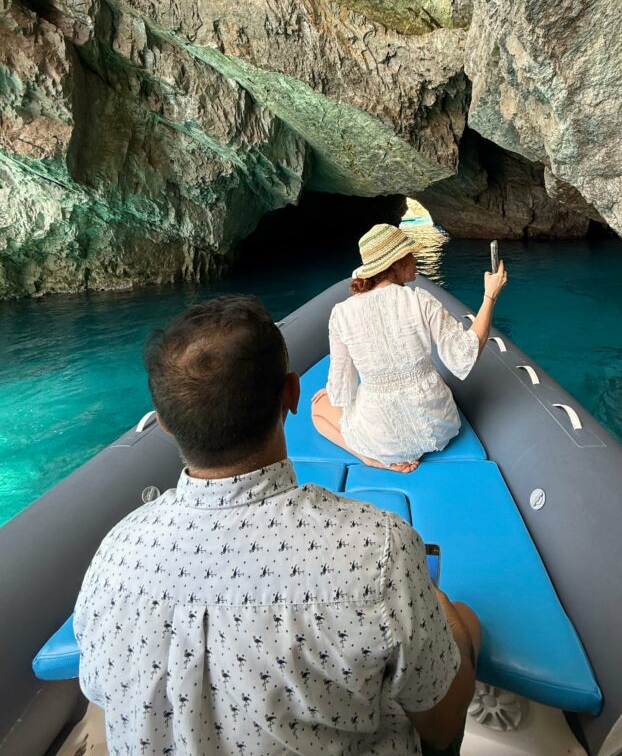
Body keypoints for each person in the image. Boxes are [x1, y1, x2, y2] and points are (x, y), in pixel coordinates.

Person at [73, 295, 481, 756]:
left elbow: (102, 693)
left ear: (164, 423)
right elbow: (442, 724)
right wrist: (444, 613)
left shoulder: (116, 553)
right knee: (464, 625)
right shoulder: (377, 549)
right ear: (292, 394)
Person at [312, 224, 508, 472]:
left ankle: (369, 458)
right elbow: (464, 355)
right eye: (411, 255)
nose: (416, 259)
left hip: (382, 440)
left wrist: (331, 393)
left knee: (318, 410)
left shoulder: (341, 314)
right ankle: (372, 456)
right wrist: (489, 296)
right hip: (439, 429)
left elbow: (342, 388)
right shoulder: (420, 300)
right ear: (396, 263)